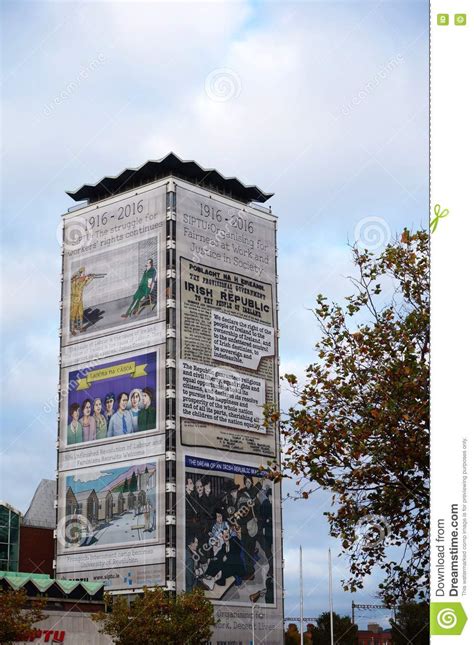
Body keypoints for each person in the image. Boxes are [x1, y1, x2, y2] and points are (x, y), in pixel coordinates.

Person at [69, 267, 96, 335]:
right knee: (73, 315)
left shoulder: (80, 282)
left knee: (80, 314)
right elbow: (81, 284)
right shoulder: (74, 282)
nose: (83, 275)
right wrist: (86, 278)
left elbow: (85, 284)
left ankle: (80, 327)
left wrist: (91, 278)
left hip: (80, 300)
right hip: (74, 301)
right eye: (81, 274)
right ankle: (72, 329)